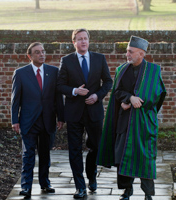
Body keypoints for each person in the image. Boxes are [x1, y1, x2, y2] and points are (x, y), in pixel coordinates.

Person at [97, 36, 166, 200]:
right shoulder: (122, 69)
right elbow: (117, 92)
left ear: (141, 54)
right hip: (124, 122)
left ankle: (148, 194)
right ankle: (126, 191)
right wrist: (128, 99)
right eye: (127, 51)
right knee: (122, 156)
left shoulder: (153, 71)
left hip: (143, 123)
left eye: (130, 51)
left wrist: (139, 102)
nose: (127, 54)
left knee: (145, 158)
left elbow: (158, 94)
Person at [57, 28, 113, 199]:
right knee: (74, 150)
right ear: (74, 42)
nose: (83, 41)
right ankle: (80, 187)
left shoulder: (99, 58)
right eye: (79, 39)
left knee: (95, 147)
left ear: (89, 40)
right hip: (74, 113)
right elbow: (60, 85)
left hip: (94, 112)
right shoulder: (66, 61)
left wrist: (97, 95)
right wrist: (74, 90)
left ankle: (92, 176)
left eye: (85, 38)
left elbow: (108, 82)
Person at [11, 42, 64, 199]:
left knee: (45, 155)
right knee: (28, 154)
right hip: (28, 121)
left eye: (43, 51)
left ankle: (45, 183)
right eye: (37, 52)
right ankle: (26, 186)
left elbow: (58, 98)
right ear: (30, 56)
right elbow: (15, 99)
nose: (41, 54)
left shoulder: (54, 72)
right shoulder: (20, 73)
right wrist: (15, 120)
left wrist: (61, 117)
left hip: (48, 121)